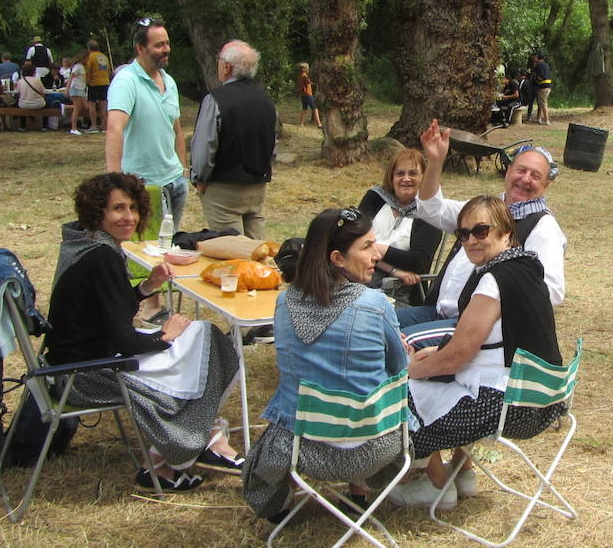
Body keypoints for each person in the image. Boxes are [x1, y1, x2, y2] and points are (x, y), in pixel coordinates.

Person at [44, 172, 243, 492]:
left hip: (72, 362)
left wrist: (145, 288)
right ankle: (197, 442)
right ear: (97, 211)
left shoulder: (85, 243)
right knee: (205, 342)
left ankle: (169, 460)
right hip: (87, 375)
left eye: (134, 208)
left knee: (199, 343)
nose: (129, 217)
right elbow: (124, 338)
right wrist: (162, 337)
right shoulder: (102, 256)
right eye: (118, 209)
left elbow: (105, 311)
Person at [388, 196, 562, 510]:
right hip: (543, 398)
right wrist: (437, 353)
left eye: (481, 231)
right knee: (437, 375)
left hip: (506, 407)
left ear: (506, 233)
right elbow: (484, 344)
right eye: (463, 234)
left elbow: (458, 357)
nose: (470, 241)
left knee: (399, 392)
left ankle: (438, 487)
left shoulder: (492, 282)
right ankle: (463, 472)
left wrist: (411, 369)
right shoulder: (527, 269)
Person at [241, 207, 409, 521]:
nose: (377, 255)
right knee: (365, 390)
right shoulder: (374, 304)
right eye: (366, 247)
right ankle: (358, 492)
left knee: (301, 388)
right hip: (372, 448)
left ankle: (283, 499)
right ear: (337, 258)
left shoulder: (283, 302)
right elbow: (399, 369)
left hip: (300, 448)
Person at [401, 120, 566, 330]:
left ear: (545, 185)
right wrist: (435, 162)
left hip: (471, 328)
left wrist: (488, 307)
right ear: (507, 172)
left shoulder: (543, 227)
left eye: (535, 176)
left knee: (396, 340)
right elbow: (430, 209)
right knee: (376, 323)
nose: (525, 179)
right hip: (435, 312)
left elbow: (551, 290)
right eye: (521, 170)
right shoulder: (483, 209)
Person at [190, 40, 277, 240]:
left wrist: (199, 179)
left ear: (227, 66)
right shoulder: (266, 101)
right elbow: (273, 146)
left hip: (223, 189)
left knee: (233, 253)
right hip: (257, 188)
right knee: (257, 251)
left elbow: (205, 146)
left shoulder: (216, 99)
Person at [106, 18, 189, 226]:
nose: (166, 49)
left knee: (171, 245)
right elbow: (114, 129)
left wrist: (183, 171)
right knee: (147, 251)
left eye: (167, 43)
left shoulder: (168, 81)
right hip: (144, 184)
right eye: (159, 45)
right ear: (140, 48)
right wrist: (115, 183)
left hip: (175, 181)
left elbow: (176, 130)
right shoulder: (126, 81)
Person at [357, 148, 442, 305]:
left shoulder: (429, 214)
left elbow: (418, 262)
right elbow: (351, 238)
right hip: (357, 275)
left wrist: (376, 249)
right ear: (391, 177)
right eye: (400, 173)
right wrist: (394, 268)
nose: (406, 178)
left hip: (401, 291)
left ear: (424, 178)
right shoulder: (375, 198)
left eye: (413, 173)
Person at [84, 39, 111, 133]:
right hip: (105, 82)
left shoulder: (90, 57)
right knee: (103, 105)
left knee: (92, 104)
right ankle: (104, 125)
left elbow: (88, 70)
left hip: (94, 82)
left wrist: (87, 82)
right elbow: (108, 70)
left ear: (89, 48)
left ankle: (94, 125)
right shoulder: (104, 57)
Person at [64, 53, 91, 135]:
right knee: (77, 108)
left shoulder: (82, 67)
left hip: (81, 89)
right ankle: (73, 128)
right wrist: (67, 89)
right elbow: (71, 78)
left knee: (85, 106)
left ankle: (66, 107)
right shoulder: (77, 66)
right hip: (75, 88)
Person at [295, 62, 321, 128]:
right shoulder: (305, 76)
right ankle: (319, 124)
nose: (308, 69)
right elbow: (309, 82)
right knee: (315, 108)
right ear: (303, 69)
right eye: (306, 68)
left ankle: (301, 123)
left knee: (304, 109)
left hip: (303, 95)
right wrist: (317, 84)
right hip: (308, 94)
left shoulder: (299, 76)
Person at [531, 52, 553, 124]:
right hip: (548, 85)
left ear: (537, 58)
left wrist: (537, 78)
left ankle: (547, 120)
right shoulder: (546, 64)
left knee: (543, 103)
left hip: (543, 86)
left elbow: (540, 76)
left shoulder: (538, 65)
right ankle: (538, 118)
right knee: (540, 103)